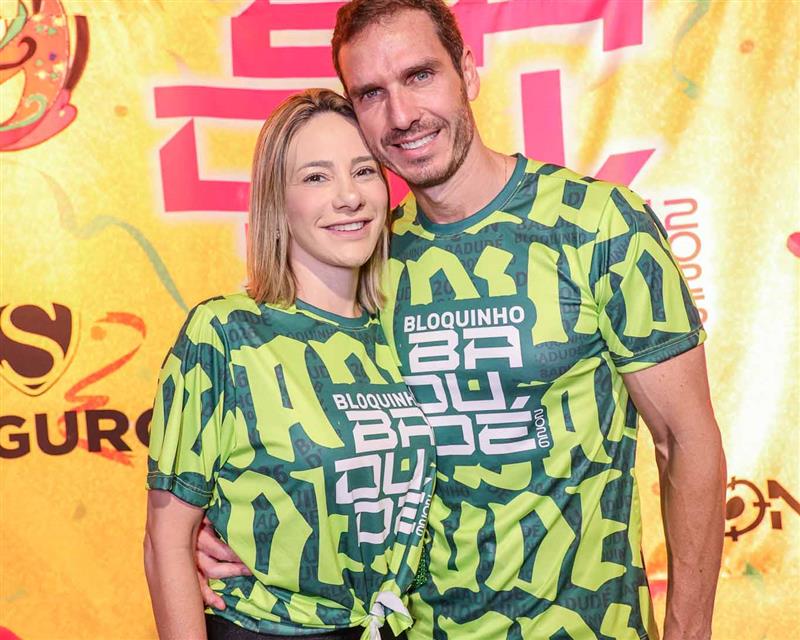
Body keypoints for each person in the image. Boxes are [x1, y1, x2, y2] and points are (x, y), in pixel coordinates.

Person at [197, 2, 727, 639]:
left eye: (419, 75)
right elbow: (313, 438)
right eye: (371, 93)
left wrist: (689, 633)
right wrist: (224, 530)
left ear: (467, 73)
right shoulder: (364, 258)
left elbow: (686, 441)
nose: (401, 115)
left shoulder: (597, 225)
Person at [144, 88, 436, 640]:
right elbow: (167, 538)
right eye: (316, 177)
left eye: (364, 171)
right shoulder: (225, 333)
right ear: (277, 202)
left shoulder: (397, 329)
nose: (348, 197)